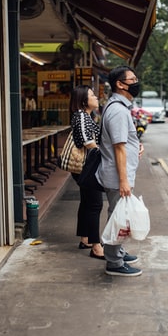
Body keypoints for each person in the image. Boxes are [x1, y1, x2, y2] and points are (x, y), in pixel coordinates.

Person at [96, 66, 144, 276]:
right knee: (118, 217)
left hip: (119, 174)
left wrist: (136, 147)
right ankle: (114, 263)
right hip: (117, 176)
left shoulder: (119, 107)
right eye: (132, 79)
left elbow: (125, 142)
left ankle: (117, 252)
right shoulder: (117, 110)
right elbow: (118, 147)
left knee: (119, 215)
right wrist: (124, 180)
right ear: (120, 84)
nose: (136, 82)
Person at [70, 85, 104, 259]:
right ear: (84, 101)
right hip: (87, 166)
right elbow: (86, 140)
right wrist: (103, 152)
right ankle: (96, 246)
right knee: (95, 204)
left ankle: (86, 239)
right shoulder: (82, 116)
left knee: (87, 202)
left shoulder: (87, 116)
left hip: (86, 166)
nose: (96, 98)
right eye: (92, 95)